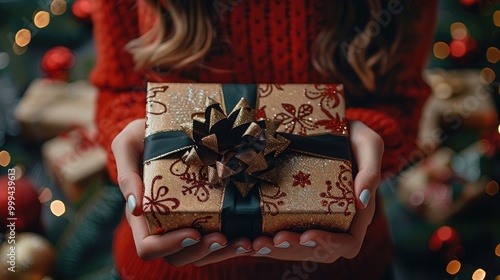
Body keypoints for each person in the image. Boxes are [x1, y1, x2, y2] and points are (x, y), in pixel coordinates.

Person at [90, 0, 438, 279]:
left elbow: (401, 97)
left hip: (345, 263)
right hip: (161, 264)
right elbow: (119, 89)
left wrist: (366, 138)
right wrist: (136, 143)